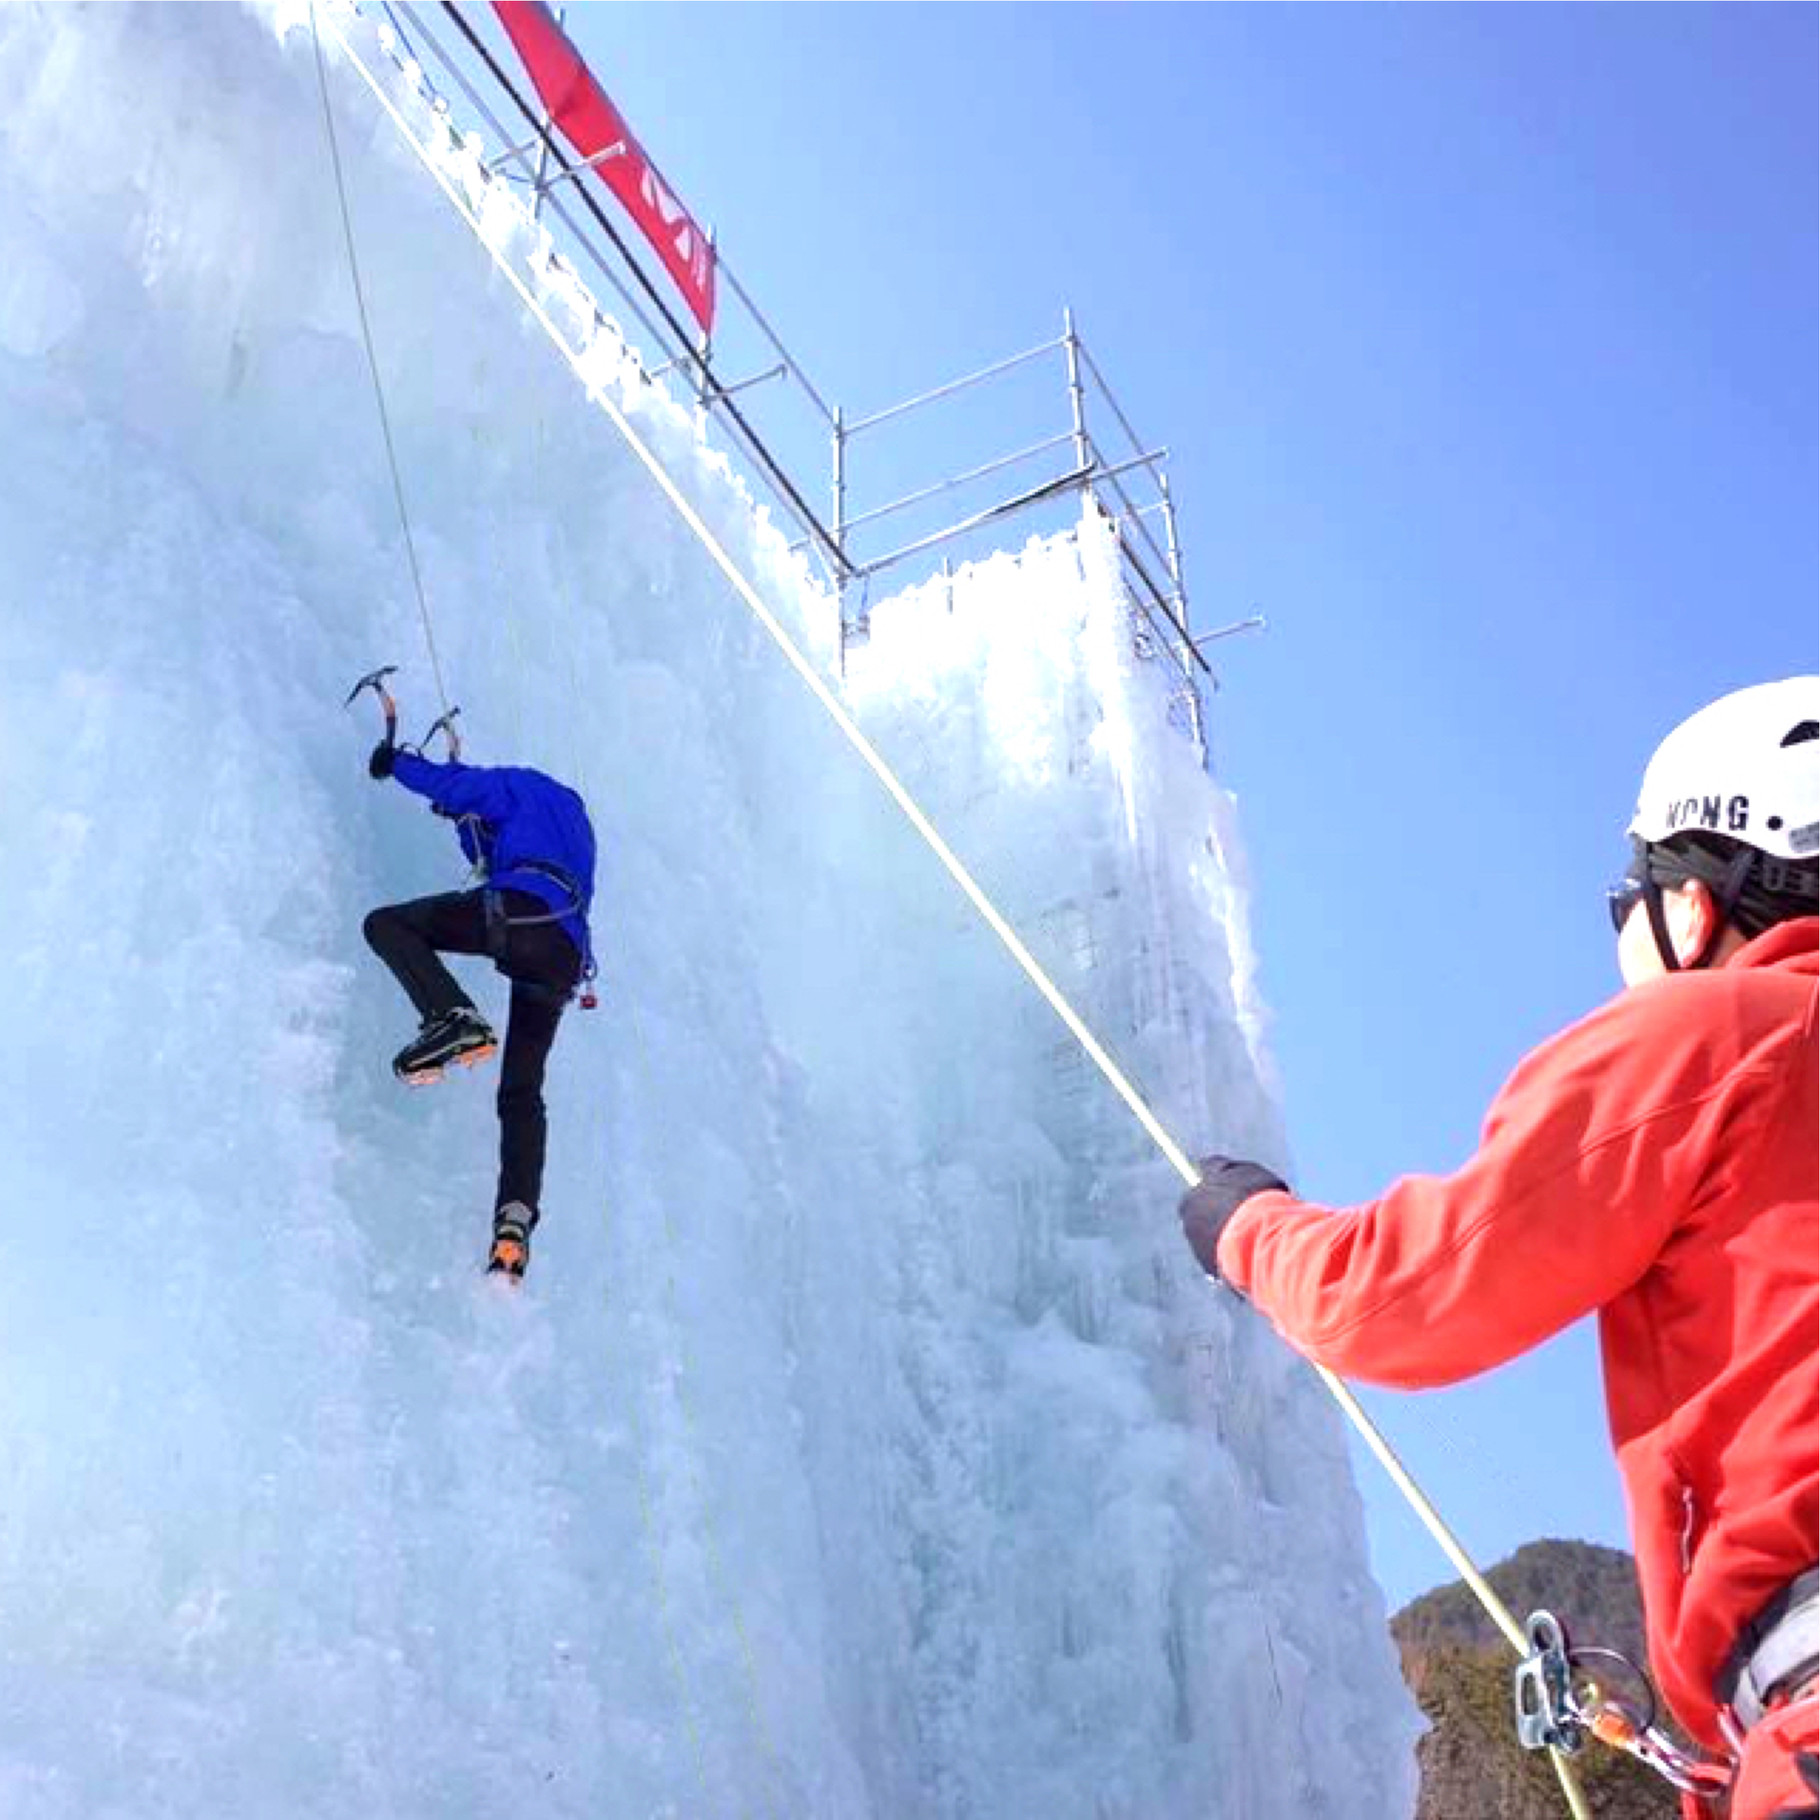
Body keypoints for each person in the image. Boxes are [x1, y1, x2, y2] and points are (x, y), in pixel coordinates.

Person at [1179, 678, 1818, 1818]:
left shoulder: (1724, 1032)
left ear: (1694, 901)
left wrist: (1245, 1226)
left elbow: (1401, 1296)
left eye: (1627, 899)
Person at [362, 734, 597, 1281]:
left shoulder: (521, 786)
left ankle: (453, 1017)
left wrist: (396, 764)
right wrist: (464, 824)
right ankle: (514, 1222)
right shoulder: (578, 829)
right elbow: (488, 853)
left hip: (519, 911)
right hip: (562, 954)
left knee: (387, 925)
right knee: (521, 1092)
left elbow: (458, 788)